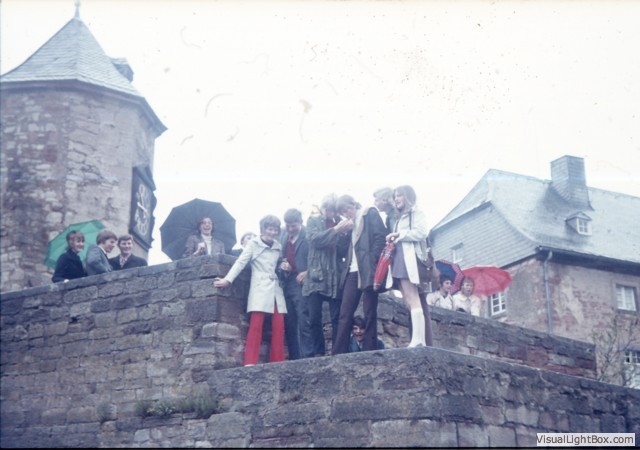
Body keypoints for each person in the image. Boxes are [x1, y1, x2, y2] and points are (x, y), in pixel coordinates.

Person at [213, 215, 287, 366]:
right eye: (270, 229)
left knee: (279, 324)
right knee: (256, 324)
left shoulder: (278, 246)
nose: (272, 232)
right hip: (259, 286)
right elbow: (240, 262)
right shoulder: (253, 244)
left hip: (275, 287)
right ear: (263, 229)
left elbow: (279, 264)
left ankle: (278, 362)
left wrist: (285, 266)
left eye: (275, 230)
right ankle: (250, 362)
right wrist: (227, 280)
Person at [331, 194, 386, 355]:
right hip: (353, 271)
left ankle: (369, 350)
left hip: (368, 269)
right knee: (345, 312)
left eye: (346, 210)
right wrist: (343, 233)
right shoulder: (350, 224)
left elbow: (380, 238)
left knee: (369, 311)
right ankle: (338, 352)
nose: (346, 214)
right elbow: (342, 251)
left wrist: (372, 262)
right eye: (342, 213)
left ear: (353, 205)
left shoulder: (369, 213)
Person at [303, 193, 352, 357]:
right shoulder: (314, 221)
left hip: (335, 276)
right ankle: (318, 351)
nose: (332, 213)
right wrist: (336, 230)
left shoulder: (340, 224)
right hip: (316, 275)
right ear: (324, 208)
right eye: (329, 209)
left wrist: (345, 235)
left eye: (334, 210)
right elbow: (314, 240)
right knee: (314, 317)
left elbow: (343, 252)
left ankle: (338, 352)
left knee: (337, 317)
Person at [385, 185, 432, 348]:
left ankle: (419, 340)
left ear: (408, 196)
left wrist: (399, 235)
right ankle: (418, 339)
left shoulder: (417, 212)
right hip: (399, 257)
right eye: (395, 196)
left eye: (399, 195)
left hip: (409, 259)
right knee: (408, 299)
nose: (396, 199)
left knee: (413, 297)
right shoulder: (399, 217)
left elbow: (422, 232)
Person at [278, 208, 309, 360]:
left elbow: (317, 259)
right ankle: (294, 356)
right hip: (287, 281)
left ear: (301, 222)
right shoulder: (283, 235)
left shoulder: (308, 235)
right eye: (288, 225)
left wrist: (307, 272)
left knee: (303, 317)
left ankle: (307, 355)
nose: (290, 229)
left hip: (301, 280)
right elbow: (279, 256)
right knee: (289, 320)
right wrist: (283, 264)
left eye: (294, 226)